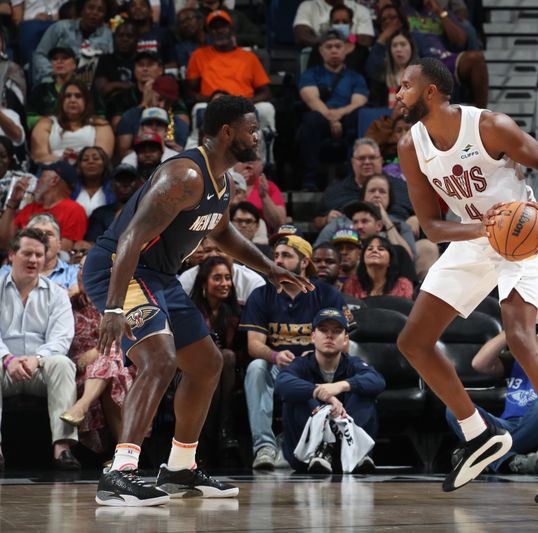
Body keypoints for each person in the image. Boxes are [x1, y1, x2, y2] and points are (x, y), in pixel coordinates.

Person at [394, 58, 538, 503]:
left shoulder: (490, 126)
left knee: (521, 335)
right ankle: (478, 434)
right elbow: (433, 229)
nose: (397, 94)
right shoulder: (409, 145)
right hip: (476, 236)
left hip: (523, 234)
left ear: (431, 91)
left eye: (405, 86)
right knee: (412, 342)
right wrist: (481, 229)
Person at [82, 95, 313, 506]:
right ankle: (119, 474)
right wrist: (114, 308)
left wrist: (269, 268)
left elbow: (222, 234)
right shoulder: (185, 175)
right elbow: (131, 238)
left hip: (159, 276)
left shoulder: (220, 179)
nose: (258, 137)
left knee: (206, 364)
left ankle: (180, 467)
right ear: (227, 133)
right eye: (252, 130)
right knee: (160, 359)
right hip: (120, 267)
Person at [445, 301, 538, 474]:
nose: (533, 329)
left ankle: (489, 457)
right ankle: (507, 460)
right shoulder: (520, 355)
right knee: (455, 408)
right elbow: (479, 364)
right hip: (507, 425)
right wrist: (512, 329)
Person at [239, 235, 347, 470]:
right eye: (275, 256)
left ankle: (311, 444)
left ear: (305, 261)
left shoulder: (328, 295)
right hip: (280, 367)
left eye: (286, 256)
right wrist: (275, 356)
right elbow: (254, 345)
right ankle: (264, 447)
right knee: (256, 367)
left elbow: (345, 341)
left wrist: (317, 354)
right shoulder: (261, 294)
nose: (278, 261)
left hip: (316, 367)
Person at [0, 228, 79, 471]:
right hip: (4, 367)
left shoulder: (56, 294)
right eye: (27, 253)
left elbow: (61, 338)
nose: (33, 260)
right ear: (12, 255)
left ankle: (62, 448)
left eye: (38, 254)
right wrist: (7, 358)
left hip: (39, 370)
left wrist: (36, 359)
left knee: (63, 363)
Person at [275, 307, 384, 473]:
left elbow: (378, 381)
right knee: (297, 393)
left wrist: (339, 386)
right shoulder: (301, 364)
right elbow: (282, 384)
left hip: (346, 453)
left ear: (346, 339)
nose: (329, 336)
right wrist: (319, 392)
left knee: (364, 390)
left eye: (337, 331)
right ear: (313, 336)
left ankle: (358, 451)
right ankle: (320, 449)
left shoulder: (352, 363)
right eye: (323, 330)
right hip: (306, 457)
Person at [60, 256, 136, 455]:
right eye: (82, 268)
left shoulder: (123, 304)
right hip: (77, 371)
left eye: (93, 268)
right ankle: (125, 455)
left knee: (111, 366)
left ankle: (81, 406)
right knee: (110, 369)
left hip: (121, 366)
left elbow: (129, 341)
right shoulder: (67, 302)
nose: (85, 274)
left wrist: (96, 352)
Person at [296, 29, 369, 190]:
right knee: (311, 119)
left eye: (338, 46)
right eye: (329, 47)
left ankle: (354, 178)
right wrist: (331, 119)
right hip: (321, 117)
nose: (334, 50)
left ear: (346, 49)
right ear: (321, 51)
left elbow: (359, 102)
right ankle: (310, 179)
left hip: (347, 118)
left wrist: (337, 117)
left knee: (358, 117)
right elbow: (310, 99)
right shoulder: (311, 74)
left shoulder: (356, 77)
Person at [186, 10, 275, 140]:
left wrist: (244, 102)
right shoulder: (198, 55)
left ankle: (266, 158)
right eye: (214, 28)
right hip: (212, 104)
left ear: (231, 30)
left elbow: (266, 92)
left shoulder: (248, 57)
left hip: (245, 103)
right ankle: (200, 157)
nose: (219, 31)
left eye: (223, 27)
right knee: (199, 108)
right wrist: (210, 99)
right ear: (209, 33)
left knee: (267, 108)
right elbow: (190, 91)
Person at [189, 256, 243, 453]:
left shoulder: (237, 311)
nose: (225, 283)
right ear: (204, 282)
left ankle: (219, 429)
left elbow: (241, 351)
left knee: (226, 358)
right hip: (190, 369)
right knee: (217, 360)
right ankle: (217, 431)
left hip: (228, 373)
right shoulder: (189, 309)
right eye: (217, 278)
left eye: (228, 278)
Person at [315, 137, 414, 230]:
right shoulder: (334, 192)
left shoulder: (403, 188)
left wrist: (416, 219)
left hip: (398, 239)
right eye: (361, 158)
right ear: (353, 162)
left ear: (381, 160)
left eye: (372, 157)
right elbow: (316, 222)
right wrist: (325, 220)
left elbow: (424, 212)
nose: (367, 162)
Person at [0, 160, 88, 252]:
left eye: (42, 177)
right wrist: (13, 202)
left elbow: (62, 252)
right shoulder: (31, 207)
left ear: (54, 180)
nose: (37, 182)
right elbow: (4, 244)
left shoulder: (74, 210)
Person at [31, 80, 114, 167]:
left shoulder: (100, 125)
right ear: (62, 101)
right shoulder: (46, 123)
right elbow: (39, 157)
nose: (72, 100)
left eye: (78, 96)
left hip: (88, 170)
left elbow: (104, 157)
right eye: (68, 96)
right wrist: (62, 160)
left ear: (86, 101)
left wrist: (76, 158)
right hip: (55, 169)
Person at [31, 0, 113, 84]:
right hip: (56, 77)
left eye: (100, 10)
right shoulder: (60, 28)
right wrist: (52, 72)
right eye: (90, 8)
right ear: (81, 9)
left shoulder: (108, 35)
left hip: (89, 82)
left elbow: (109, 65)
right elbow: (39, 55)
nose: (94, 13)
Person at [84, 164, 144, 242]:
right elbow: (91, 243)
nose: (125, 184)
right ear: (112, 184)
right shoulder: (100, 214)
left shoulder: (147, 212)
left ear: (139, 184)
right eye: (120, 179)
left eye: (130, 179)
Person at [342, 235, 414, 299]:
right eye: (370, 249)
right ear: (363, 259)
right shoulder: (351, 284)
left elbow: (408, 312)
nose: (375, 250)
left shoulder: (403, 286)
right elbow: (345, 312)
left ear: (390, 260)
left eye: (381, 249)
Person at [307, 5, 370, 73]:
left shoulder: (362, 51)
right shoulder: (318, 49)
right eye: (336, 22)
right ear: (331, 24)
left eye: (345, 22)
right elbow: (310, 76)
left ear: (351, 24)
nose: (341, 25)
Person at [293, 0, 374, 48]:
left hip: (353, 60)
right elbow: (301, 37)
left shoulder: (361, 10)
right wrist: (327, 42)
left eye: (345, 22)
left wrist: (349, 39)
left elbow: (365, 41)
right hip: (319, 58)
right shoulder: (307, 6)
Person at [72, 145, 114, 217]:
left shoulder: (114, 189)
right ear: (79, 166)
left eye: (96, 158)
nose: (91, 162)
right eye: (85, 159)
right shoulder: (70, 189)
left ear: (105, 163)